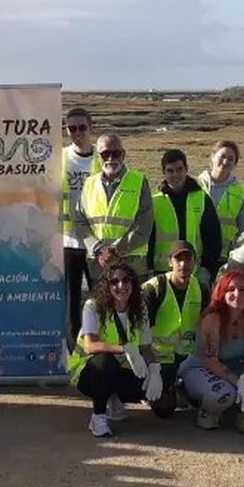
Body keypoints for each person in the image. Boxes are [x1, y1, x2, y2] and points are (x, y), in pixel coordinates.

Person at [177, 270, 244, 434]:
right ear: (222, 292)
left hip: (236, 367)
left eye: (242, 290)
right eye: (231, 289)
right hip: (203, 368)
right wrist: (239, 383)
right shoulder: (212, 318)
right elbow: (211, 361)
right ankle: (206, 411)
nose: (237, 294)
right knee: (224, 394)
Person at [68, 262, 158, 437]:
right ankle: (98, 417)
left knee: (161, 378)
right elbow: (90, 345)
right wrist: (123, 349)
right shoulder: (93, 306)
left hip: (122, 368)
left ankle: (113, 397)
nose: (121, 286)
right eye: (114, 281)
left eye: (126, 280)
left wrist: (155, 370)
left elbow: (146, 347)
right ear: (106, 285)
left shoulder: (141, 309)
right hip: (87, 372)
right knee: (105, 362)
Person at [72, 134, 154, 282]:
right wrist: (98, 249)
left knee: (133, 305)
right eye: (105, 154)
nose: (110, 158)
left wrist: (116, 251)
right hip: (99, 266)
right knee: (100, 305)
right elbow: (79, 221)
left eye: (115, 153)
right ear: (98, 156)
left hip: (132, 264)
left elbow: (144, 223)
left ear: (123, 155)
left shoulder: (140, 181)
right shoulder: (89, 184)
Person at [140, 241, 205, 418]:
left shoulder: (201, 288)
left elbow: (207, 328)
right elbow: (139, 331)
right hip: (157, 359)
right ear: (170, 262)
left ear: (195, 262)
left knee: (205, 398)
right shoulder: (153, 288)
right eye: (178, 259)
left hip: (187, 358)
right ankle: (158, 390)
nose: (183, 264)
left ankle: (182, 388)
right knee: (164, 409)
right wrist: (151, 368)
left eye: (188, 259)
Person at [149, 149, 222, 279]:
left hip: (195, 270)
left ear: (186, 169)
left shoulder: (201, 198)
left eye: (179, 169)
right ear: (163, 172)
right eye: (170, 170)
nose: (175, 175)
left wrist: (208, 268)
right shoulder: (155, 201)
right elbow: (149, 239)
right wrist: (149, 268)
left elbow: (213, 236)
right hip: (163, 272)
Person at [60, 107, 97, 349]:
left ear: (91, 127)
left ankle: (98, 347)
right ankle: (73, 352)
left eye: (81, 127)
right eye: (71, 128)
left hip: (95, 240)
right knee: (71, 301)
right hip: (67, 240)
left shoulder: (101, 158)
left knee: (98, 298)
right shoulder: (59, 157)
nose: (77, 133)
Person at [197, 140, 244, 252]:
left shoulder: (240, 192)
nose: (225, 161)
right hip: (197, 255)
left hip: (227, 256)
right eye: (222, 156)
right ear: (212, 157)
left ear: (235, 164)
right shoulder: (196, 186)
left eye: (231, 159)